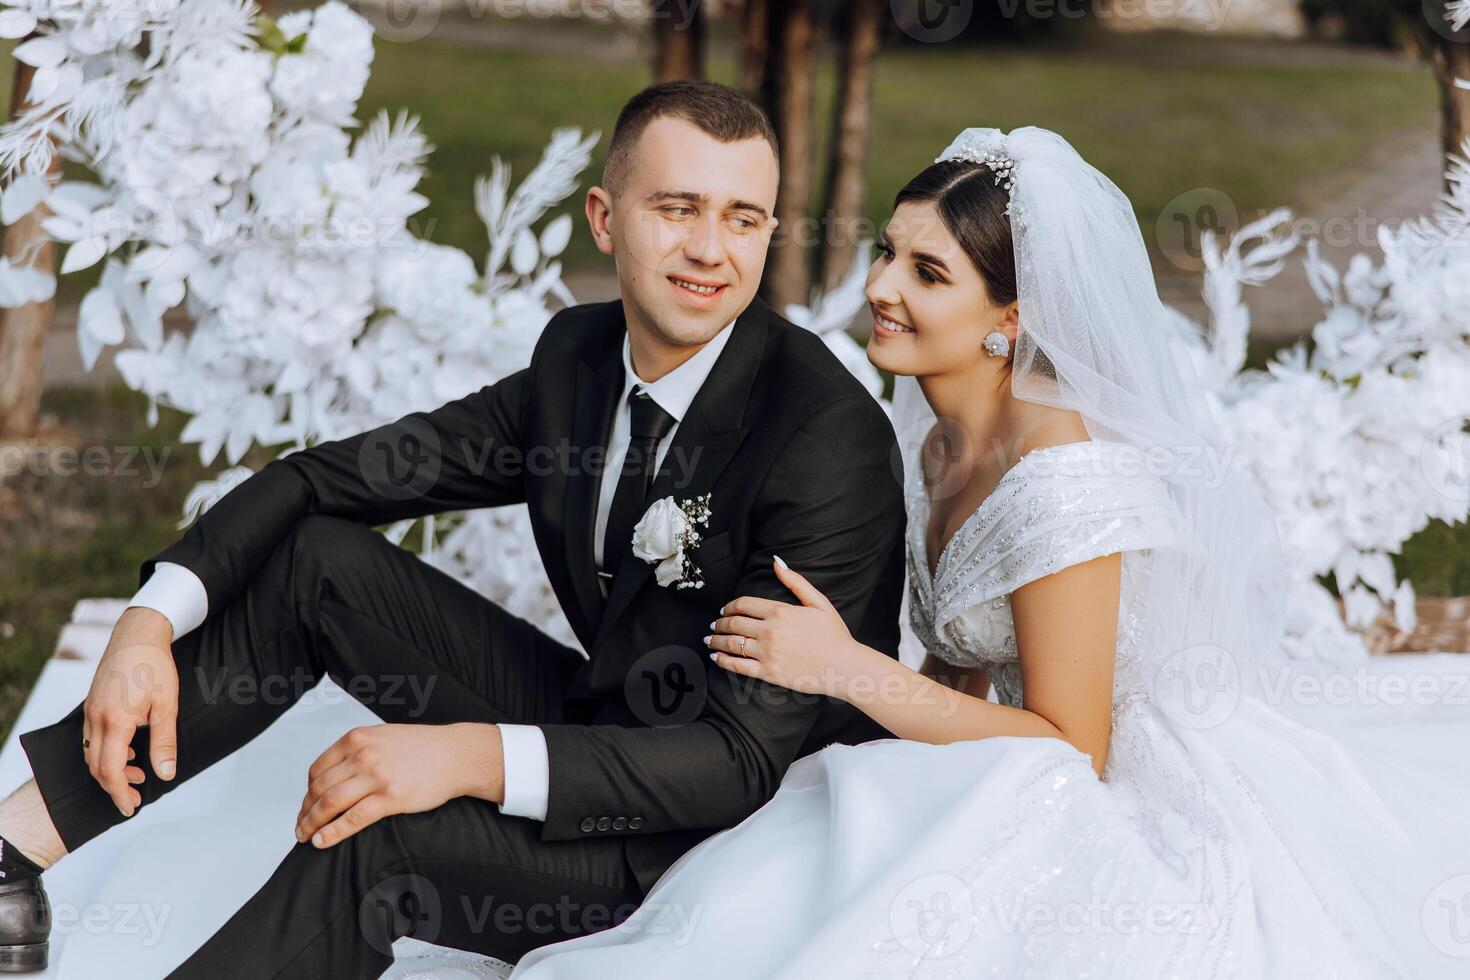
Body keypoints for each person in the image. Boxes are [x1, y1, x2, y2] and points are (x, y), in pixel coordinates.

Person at [507, 127, 1470, 979]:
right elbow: (963, 667)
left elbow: (1074, 747)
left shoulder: (1063, 479)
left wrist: (848, 670)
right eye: (890, 253)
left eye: (928, 275)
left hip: (1112, 784)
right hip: (993, 753)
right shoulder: (937, 439)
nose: (880, 287)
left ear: (1010, 318)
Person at [0, 81, 907, 977]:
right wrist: (150, 617)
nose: (711, 250)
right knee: (319, 562)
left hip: (726, 840)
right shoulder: (579, 360)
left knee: (382, 833)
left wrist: (465, 758)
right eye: (678, 208)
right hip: (606, 725)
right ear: (604, 216)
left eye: (744, 218)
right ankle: (16, 846)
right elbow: (325, 479)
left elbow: (738, 760)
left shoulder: (822, 436)